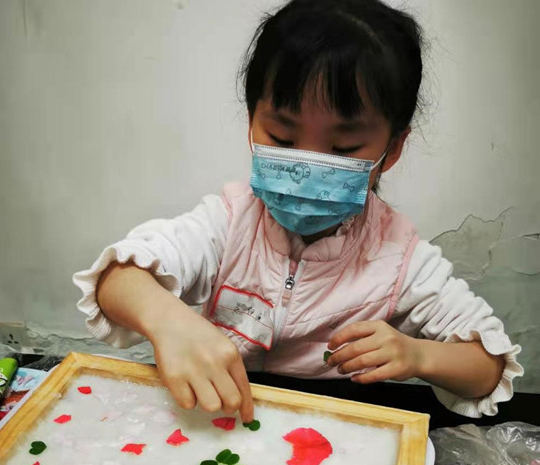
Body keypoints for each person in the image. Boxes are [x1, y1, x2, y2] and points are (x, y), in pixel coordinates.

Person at [73, 0, 522, 423]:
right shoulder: (229, 222)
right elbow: (117, 278)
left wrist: (418, 354)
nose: (307, 166)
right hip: (219, 420)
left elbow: (489, 368)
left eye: (343, 147)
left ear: (393, 147)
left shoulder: (399, 259)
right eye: (283, 138)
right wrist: (168, 321)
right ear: (252, 122)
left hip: (326, 436)